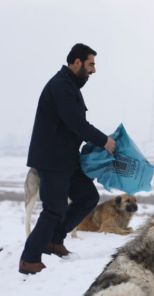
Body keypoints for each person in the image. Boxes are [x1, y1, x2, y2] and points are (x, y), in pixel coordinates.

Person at [19, 43, 116, 275]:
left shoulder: (70, 86)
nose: (93, 70)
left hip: (66, 160)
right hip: (52, 159)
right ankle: (29, 259)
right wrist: (105, 141)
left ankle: (54, 239)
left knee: (87, 197)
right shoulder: (61, 86)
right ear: (76, 62)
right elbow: (76, 123)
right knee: (54, 208)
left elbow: (73, 126)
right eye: (91, 64)